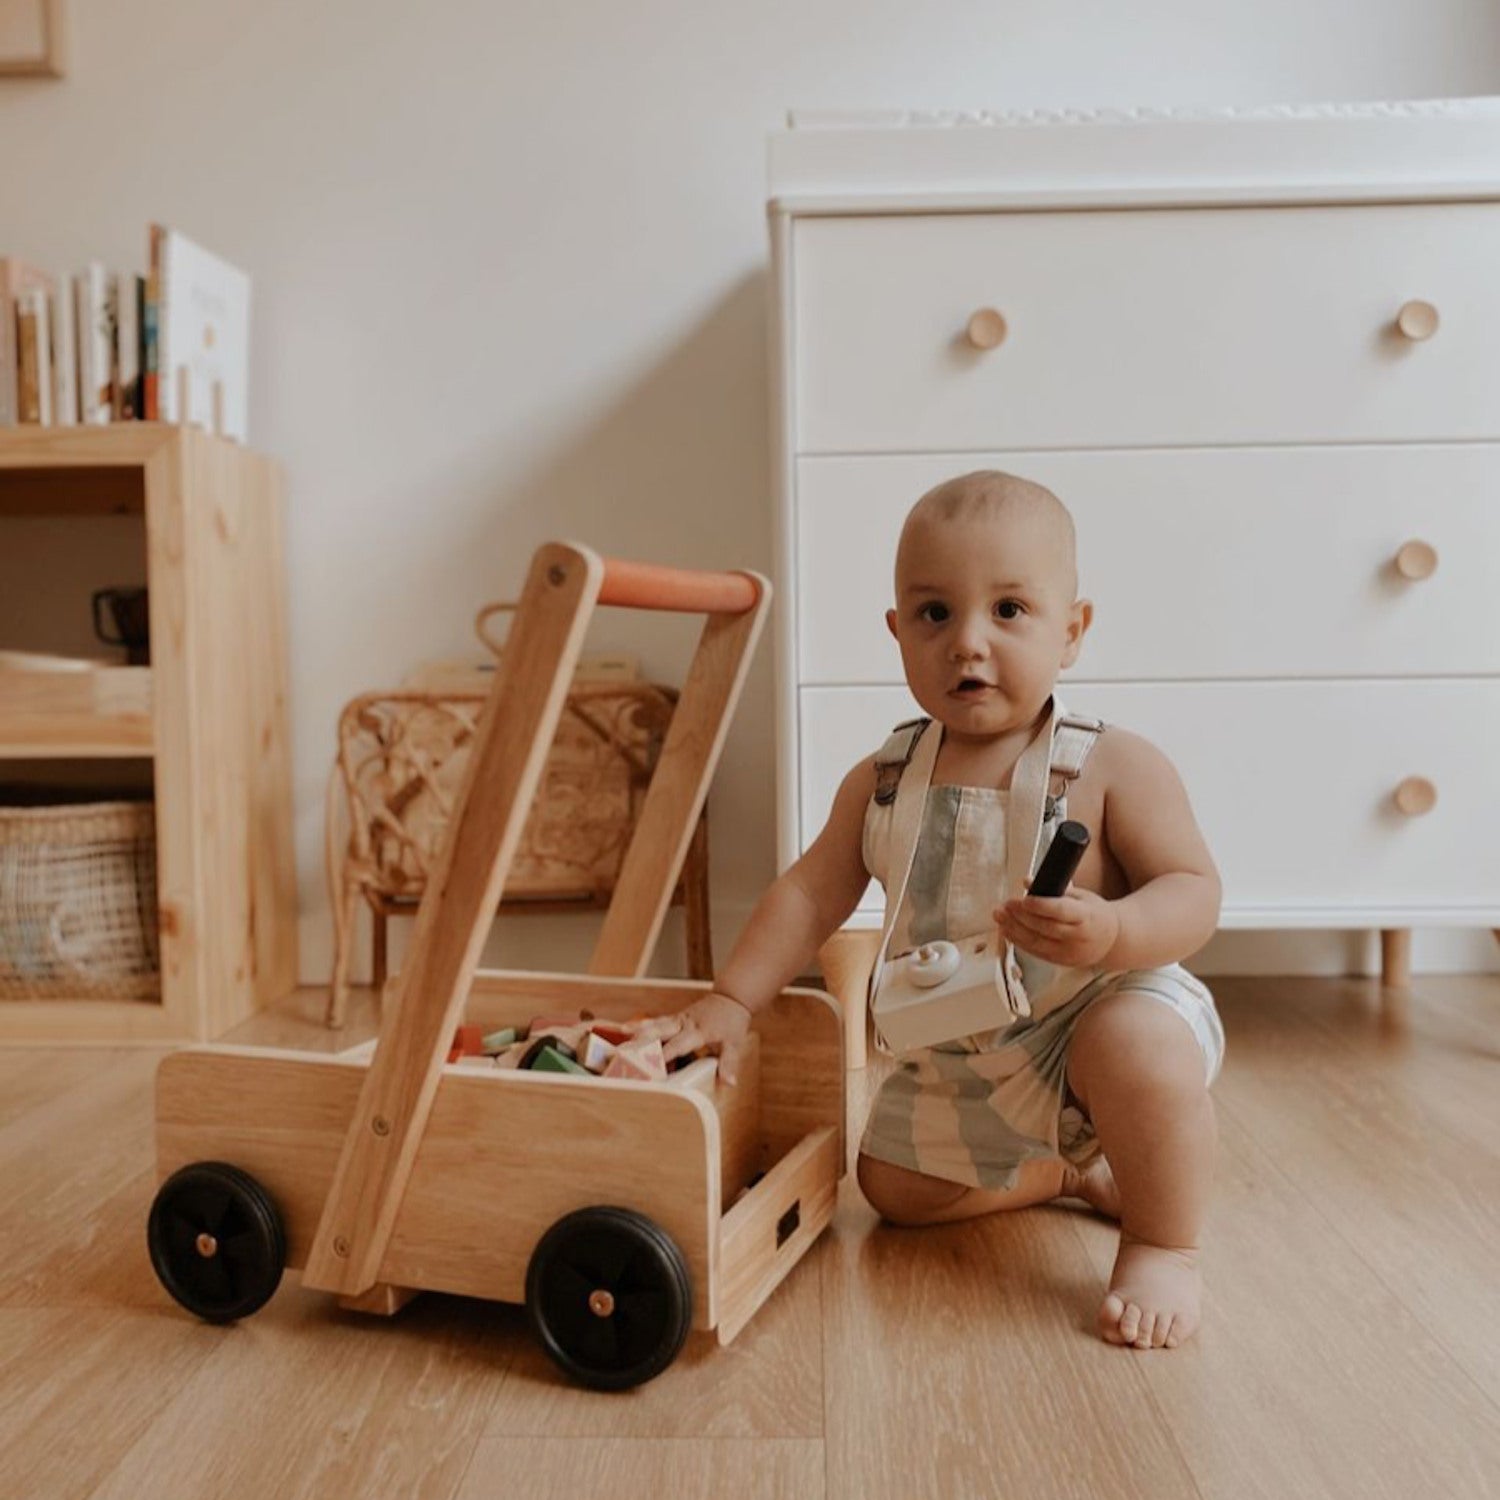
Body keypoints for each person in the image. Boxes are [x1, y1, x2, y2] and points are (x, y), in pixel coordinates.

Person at [661, 470, 1224, 1351]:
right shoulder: (883, 782)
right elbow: (809, 893)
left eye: (1009, 611)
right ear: (897, 632)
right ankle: (1065, 1174)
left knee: (1137, 1050)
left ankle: (1161, 1242)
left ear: (1071, 631)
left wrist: (1118, 930)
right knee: (892, 1188)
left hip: (1097, 1015)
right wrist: (733, 999)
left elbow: (1194, 891)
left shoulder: (1113, 766)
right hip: (969, 1046)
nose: (967, 643)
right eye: (935, 614)